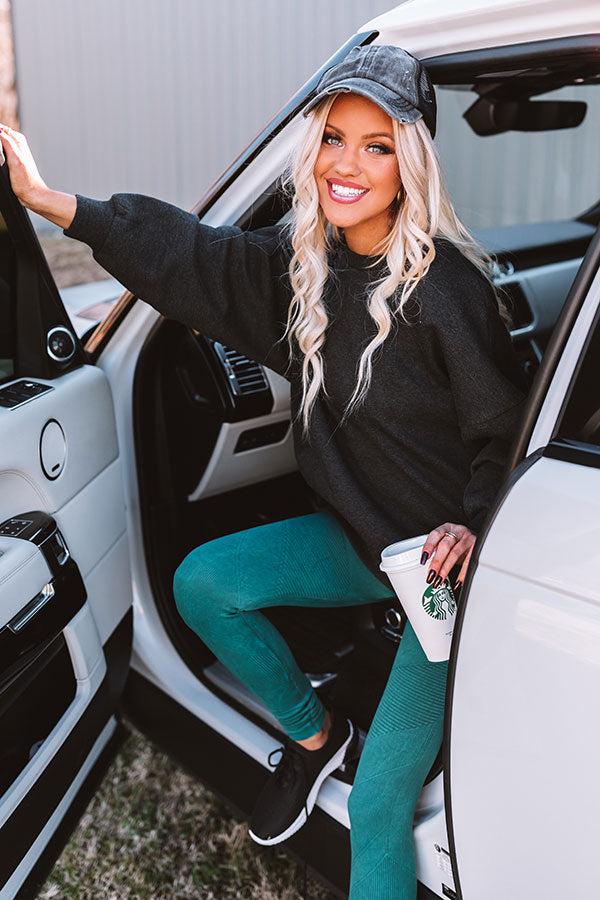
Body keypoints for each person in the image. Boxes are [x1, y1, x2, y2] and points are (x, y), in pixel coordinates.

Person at [0, 45, 526, 899]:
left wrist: (470, 522)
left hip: (440, 575)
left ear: (411, 161)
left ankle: (357, 767)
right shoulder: (301, 270)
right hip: (363, 540)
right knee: (203, 583)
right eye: (334, 138)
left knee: (379, 808)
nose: (347, 164)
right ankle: (318, 738)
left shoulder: (447, 291)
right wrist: (53, 202)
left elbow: (505, 433)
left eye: (378, 145)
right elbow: (191, 255)